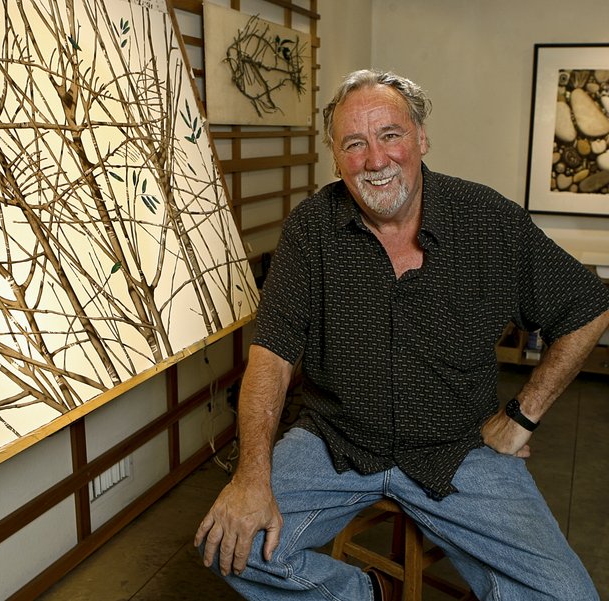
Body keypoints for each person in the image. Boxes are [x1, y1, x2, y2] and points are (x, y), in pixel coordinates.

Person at [193, 69, 609, 601]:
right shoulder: (310, 228)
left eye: (391, 135)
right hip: (335, 440)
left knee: (570, 596)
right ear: (336, 158)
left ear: (421, 138)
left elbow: (588, 307)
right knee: (227, 545)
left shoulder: (486, 220)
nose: (375, 160)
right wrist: (251, 478)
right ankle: (366, 594)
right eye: (354, 144)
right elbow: (270, 359)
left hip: (460, 447)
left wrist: (522, 415)